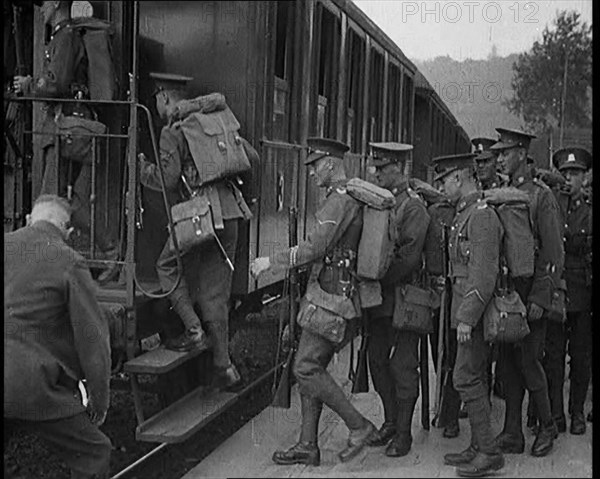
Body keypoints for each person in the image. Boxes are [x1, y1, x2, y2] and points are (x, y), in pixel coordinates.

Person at [251, 137, 377, 466]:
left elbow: (316, 248)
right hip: (331, 292)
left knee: (305, 367)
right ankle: (308, 444)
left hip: (334, 298)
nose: (310, 172)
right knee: (310, 365)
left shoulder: (339, 200)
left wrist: (271, 261)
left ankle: (359, 425)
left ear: (330, 164)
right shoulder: (344, 197)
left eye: (314, 165)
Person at [138, 72, 254, 390]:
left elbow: (168, 180)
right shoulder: (218, 121)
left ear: (164, 97)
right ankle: (224, 367)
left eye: (156, 100)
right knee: (216, 292)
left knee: (165, 264)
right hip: (231, 212)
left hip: (201, 214)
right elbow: (251, 157)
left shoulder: (173, 130)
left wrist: (142, 168)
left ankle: (193, 331)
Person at [4, 194, 112, 479]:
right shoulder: (68, 259)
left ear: (29, 218)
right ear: (69, 232)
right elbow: (93, 341)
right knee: (95, 453)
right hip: (30, 384)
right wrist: (99, 401)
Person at [12, 0, 117, 279]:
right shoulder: (64, 34)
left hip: (64, 127)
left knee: (48, 200)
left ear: (57, 3)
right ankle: (110, 250)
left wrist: (29, 85)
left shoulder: (65, 35)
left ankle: (45, 268)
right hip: (68, 126)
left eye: (44, 3)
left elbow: (56, 84)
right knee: (66, 202)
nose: (41, 9)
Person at [490, 127, 564, 457]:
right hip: (508, 291)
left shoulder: (541, 196)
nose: (499, 158)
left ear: (521, 153)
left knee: (530, 361)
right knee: (506, 364)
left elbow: (552, 254)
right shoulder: (499, 192)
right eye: (498, 153)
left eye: (505, 152)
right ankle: (512, 432)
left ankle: (547, 426)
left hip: (531, 289)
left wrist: (539, 297)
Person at [432, 153, 505, 477]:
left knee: (465, 377)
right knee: (469, 375)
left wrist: (467, 317)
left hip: (473, 313)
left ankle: (489, 451)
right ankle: (479, 446)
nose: (442, 187)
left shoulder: (481, 217)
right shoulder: (466, 214)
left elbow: (484, 275)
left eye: (445, 180)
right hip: (462, 307)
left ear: (460, 179)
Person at [362, 142, 431, 456]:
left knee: (403, 366)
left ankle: (403, 433)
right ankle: (390, 420)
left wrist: (375, 277)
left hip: (405, 297)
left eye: (383, 169)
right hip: (381, 299)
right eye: (376, 168)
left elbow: (408, 258)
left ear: (400, 169)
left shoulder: (412, 207)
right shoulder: (382, 203)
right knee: (376, 358)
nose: (376, 174)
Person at [543, 147, 592, 435]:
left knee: (581, 356)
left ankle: (576, 413)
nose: (570, 178)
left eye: (575, 173)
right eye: (566, 173)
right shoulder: (553, 204)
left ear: (585, 177)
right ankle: (556, 414)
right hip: (557, 290)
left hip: (583, 292)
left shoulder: (589, 209)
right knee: (553, 356)